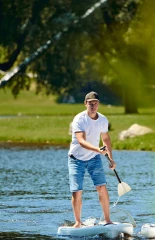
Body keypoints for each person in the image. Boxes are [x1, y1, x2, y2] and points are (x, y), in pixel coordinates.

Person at [68, 91, 116, 228]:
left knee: (101, 187)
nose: (93, 106)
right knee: (77, 191)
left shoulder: (102, 120)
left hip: (94, 158)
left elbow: (105, 139)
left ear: (98, 104)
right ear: (85, 104)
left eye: (95, 103)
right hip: (76, 159)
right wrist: (98, 150)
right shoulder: (79, 119)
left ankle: (107, 220)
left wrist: (110, 159)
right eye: (90, 103)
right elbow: (81, 141)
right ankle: (78, 222)